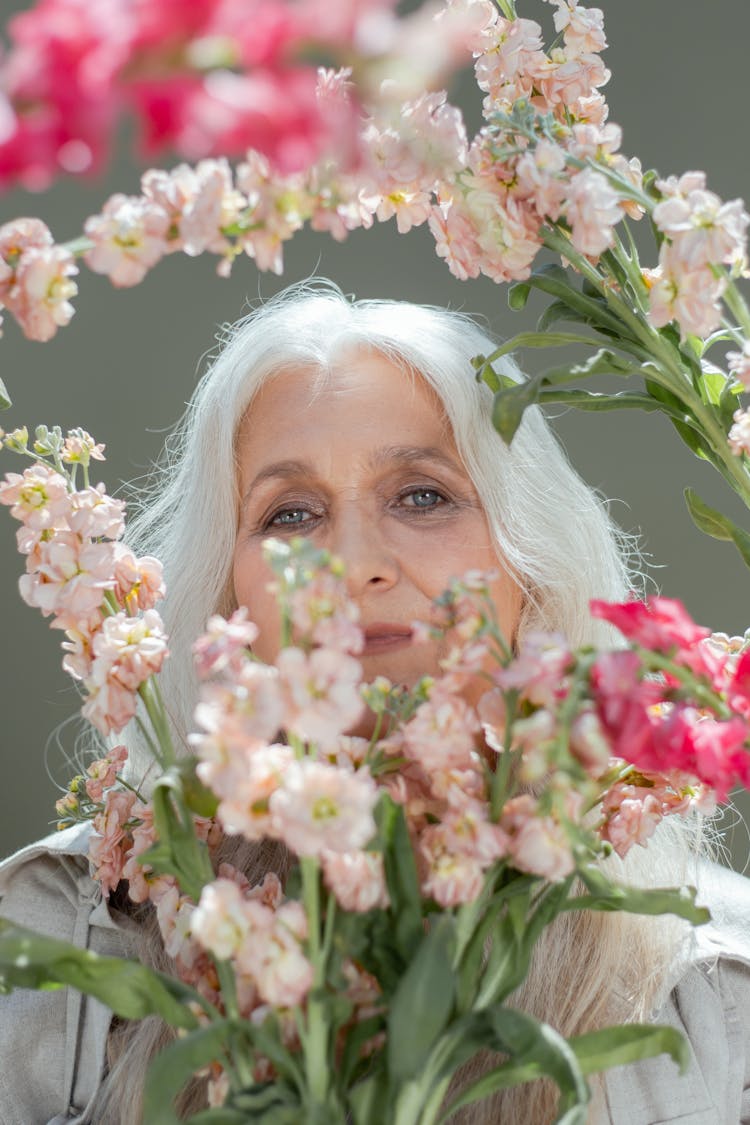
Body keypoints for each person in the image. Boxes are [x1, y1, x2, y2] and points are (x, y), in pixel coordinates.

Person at [1, 279, 749, 1124]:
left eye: (422, 495)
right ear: (228, 598)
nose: (355, 565)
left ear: (530, 566)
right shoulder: (61, 934)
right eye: (291, 514)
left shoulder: (718, 982)